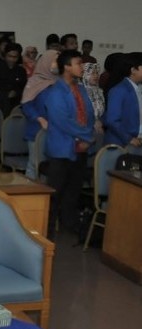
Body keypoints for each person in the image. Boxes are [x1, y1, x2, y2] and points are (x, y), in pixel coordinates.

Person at [45, 50, 95, 239]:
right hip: (62, 149)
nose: (81, 67)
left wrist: (86, 136)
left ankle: (70, 225)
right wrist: (86, 137)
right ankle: (47, 231)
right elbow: (62, 120)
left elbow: (89, 115)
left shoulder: (80, 88)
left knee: (73, 191)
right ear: (66, 67)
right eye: (77, 64)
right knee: (55, 193)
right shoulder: (55, 91)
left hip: (80, 148)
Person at [21, 50, 58, 180]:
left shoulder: (59, 82)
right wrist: (39, 118)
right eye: (55, 61)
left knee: (50, 167)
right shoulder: (34, 81)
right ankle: (28, 196)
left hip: (55, 131)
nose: (57, 64)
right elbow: (26, 105)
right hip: (37, 129)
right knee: (34, 164)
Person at [103, 53, 142, 148]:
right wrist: (129, 138)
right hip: (122, 143)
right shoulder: (119, 90)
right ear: (133, 70)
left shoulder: (139, 88)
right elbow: (112, 120)